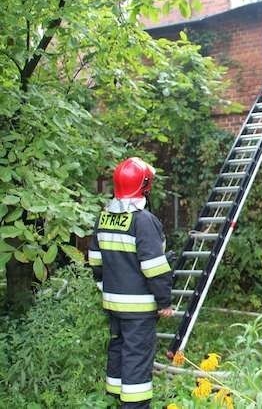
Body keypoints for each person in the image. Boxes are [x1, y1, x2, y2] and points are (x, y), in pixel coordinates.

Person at [88, 157, 174, 408]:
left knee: (118, 350)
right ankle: (134, 405)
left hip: (114, 304)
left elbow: (95, 261)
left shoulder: (103, 217)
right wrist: (164, 302)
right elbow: (154, 269)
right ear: (144, 186)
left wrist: (107, 291)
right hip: (139, 310)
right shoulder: (144, 221)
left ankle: (115, 397)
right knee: (137, 356)